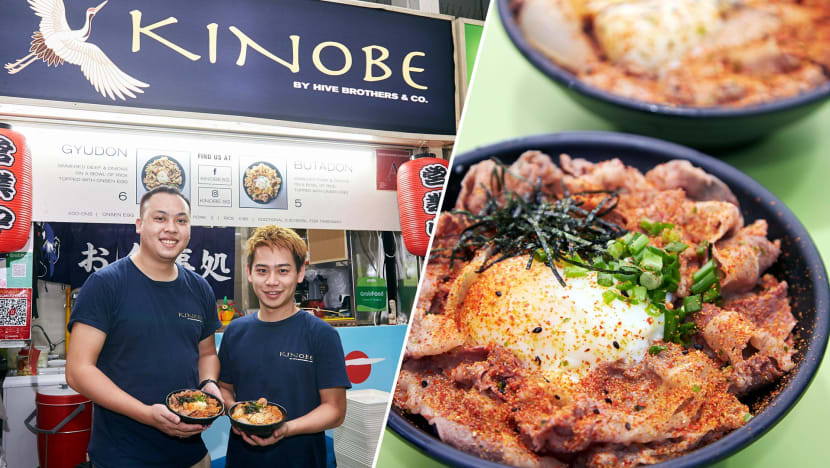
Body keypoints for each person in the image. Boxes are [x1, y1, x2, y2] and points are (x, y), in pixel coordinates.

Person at [66, 186, 222, 468]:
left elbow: (207, 353)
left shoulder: (199, 288)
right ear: (139, 225)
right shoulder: (106, 284)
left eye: (181, 220)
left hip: (191, 456)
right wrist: (146, 414)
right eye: (160, 218)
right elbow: (78, 370)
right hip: (123, 456)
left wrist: (208, 383)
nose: (171, 228)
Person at [218, 225, 350, 468]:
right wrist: (236, 412)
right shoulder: (235, 332)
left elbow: (335, 410)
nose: (271, 281)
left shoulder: (322, 334)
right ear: (249, 273)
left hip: (302, 460)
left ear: (300, 273)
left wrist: (286, 428)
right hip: (242, 460)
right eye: (262, 270)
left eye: (283, 270)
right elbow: (224, 388)